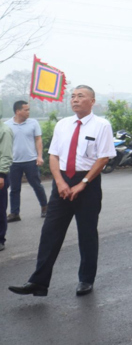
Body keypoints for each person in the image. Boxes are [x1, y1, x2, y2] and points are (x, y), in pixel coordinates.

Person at [9, 85, 116, 297]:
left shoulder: (102, 125)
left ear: (92, 101)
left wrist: (83, 182)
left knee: (87, 234)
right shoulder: (63, 125)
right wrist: (59, 182)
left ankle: (86, 279)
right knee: (50, 233)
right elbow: (54, 155)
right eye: (73, 96)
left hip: (87, 183)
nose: (75, 100)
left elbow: (103, 158)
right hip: (63, 183)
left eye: (81, 96)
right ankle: (38, 281)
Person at [5, 100, 47, 222]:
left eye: (29, 109)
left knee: (36, 185)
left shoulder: (33, 123)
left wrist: (39, 156)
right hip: (14, 162)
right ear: (18, 111)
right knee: (14, 188)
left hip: (31, 161)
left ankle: (45, 207)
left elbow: (38, 140)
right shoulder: (7, 125)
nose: (29, 112)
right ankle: (14, 213)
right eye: (26, 110)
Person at [0, 121, 11, 252]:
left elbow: (6, 154)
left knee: (0, 208)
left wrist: (1, 174)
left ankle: (0, 239)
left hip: (0, 174)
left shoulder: (4, 130)